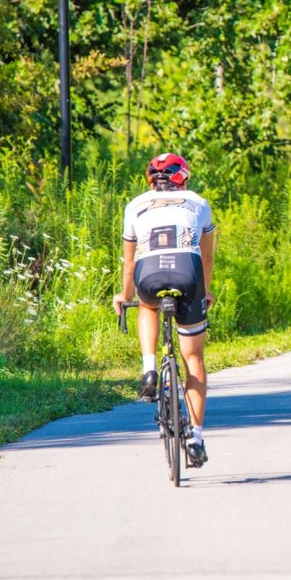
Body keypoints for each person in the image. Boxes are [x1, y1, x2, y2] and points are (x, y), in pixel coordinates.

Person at [113, 152, 216, 468]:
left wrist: (123, 296)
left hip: (149, 273)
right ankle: (196, 439)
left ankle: (149, 368)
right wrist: (205, 290)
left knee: (146, 304)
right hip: (188, 271)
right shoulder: (198, 202)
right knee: (193, 358)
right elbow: (207, 258)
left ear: (150, 181)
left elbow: (130, 264)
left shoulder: (135, 205)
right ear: (182, 178)